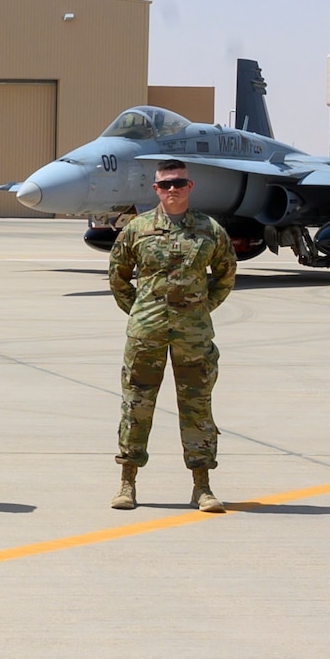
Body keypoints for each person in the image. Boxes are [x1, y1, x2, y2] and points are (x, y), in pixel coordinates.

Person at [108, 159, 236, 513]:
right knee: (136, 406)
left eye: (179, 183)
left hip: (192, 336)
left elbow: (226, 274)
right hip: (146, 334)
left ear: (190, 186)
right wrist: (140, 312)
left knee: (197, 408)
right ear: (156, 190)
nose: (173, 190)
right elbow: (118, 276)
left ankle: (202, 487)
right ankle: (127, 483)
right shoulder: (137, 229)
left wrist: (199, 309)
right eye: (166, 185)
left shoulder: (210, 230)